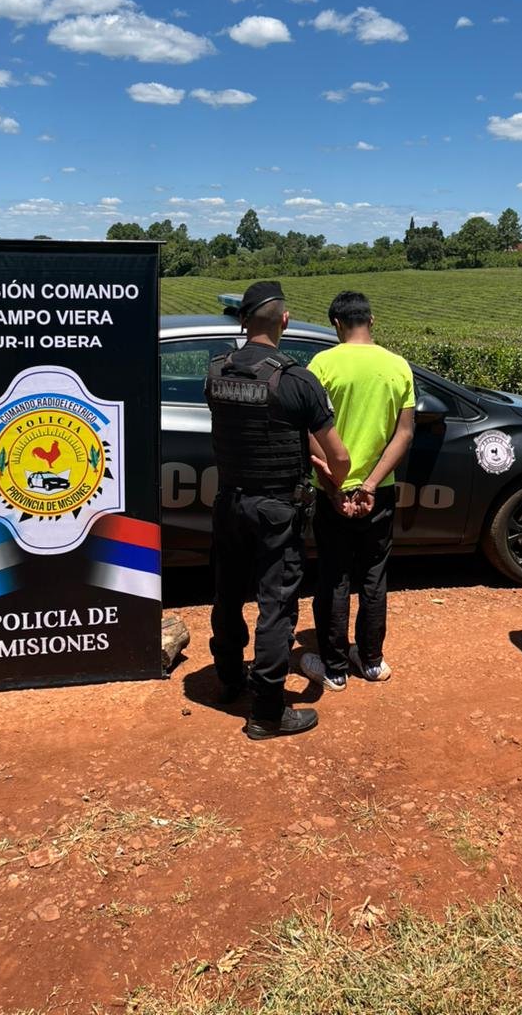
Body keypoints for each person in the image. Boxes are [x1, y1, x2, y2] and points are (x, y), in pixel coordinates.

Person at [205, 281, 350, 740]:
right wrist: (332, 477)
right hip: (276, 510)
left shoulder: (216, 372)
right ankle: (267, 711)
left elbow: (249, 424)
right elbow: (340, 457)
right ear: (285, 320)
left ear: (242, 321)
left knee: (228, 594)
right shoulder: (297, 380)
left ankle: (229, 679)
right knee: (276, 606)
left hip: (229, 503)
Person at [300, 290, 415, 692]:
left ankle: (333, 668)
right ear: (371, 320)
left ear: (336, 324)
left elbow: (309, 430)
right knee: (373, 576)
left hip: (331, 490)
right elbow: (404, 434)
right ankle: (371, 661)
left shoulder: (321, 365)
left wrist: (336, 484)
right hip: (378, 492)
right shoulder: (397, 366)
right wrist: (369, 484)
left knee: (333, 575)